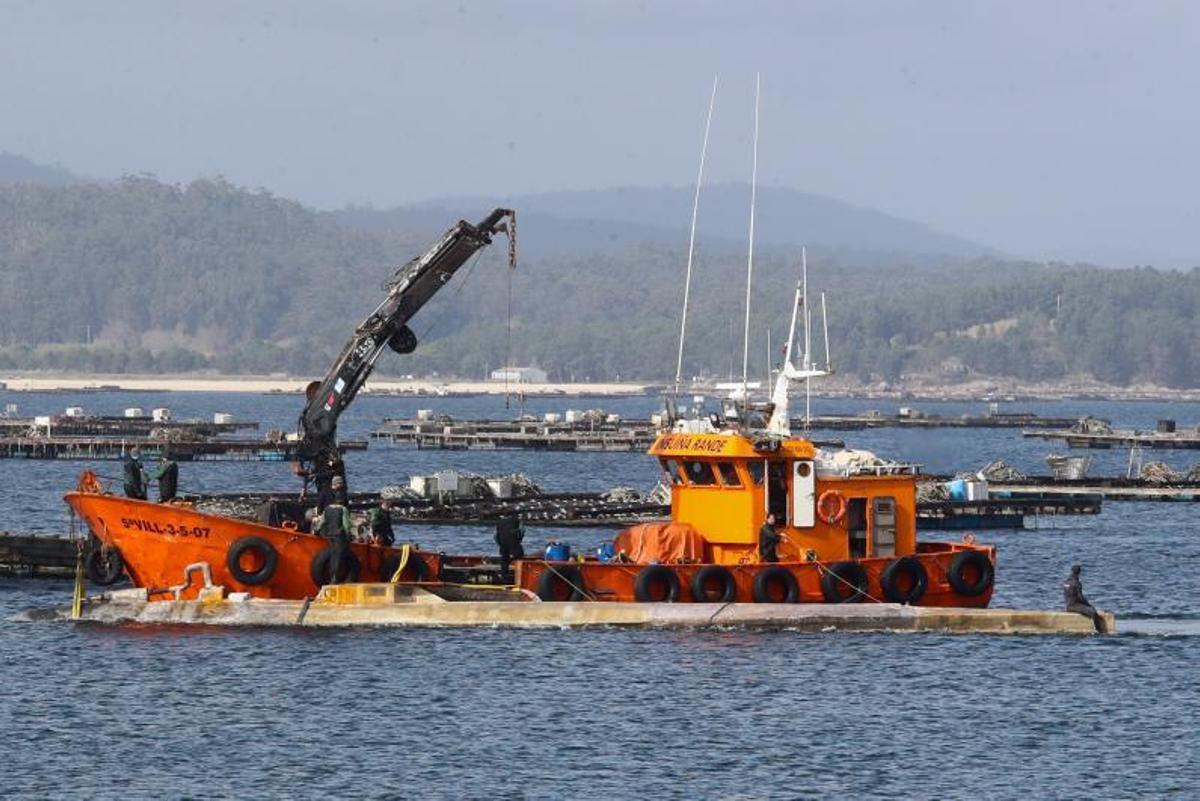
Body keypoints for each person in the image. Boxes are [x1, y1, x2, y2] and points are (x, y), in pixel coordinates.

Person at [314, 494, 353, 585]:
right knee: (338, 556)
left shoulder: (327, 509)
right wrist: (349, 536)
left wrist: (316, 531)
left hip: (330, 535)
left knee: (332, 554)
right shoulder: (343, 509)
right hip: (339, 536)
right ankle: (335, 577)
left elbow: (322, 522)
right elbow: (346, 525)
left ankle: (332, 576)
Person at [1064, 564, 1107, 633]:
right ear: (1079, 573)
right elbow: (1080, 597)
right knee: (1093, 612)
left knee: (1089, 608)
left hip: (1068, 606)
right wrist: (1089, 605)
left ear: (1072, 571)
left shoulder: (1065, 582)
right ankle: (1099, 631)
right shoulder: (1077, 583)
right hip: (1075, 606)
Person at [494, 512, 525, 581]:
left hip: (503, 543)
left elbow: (495, 536)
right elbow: (522, 531)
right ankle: (519, 577)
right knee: (519, 557)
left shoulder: (499, 522)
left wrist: (500, 544)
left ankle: (504, 577)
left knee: (504, 560)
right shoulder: (517, 520)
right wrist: (519, 540)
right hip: (514, 542)